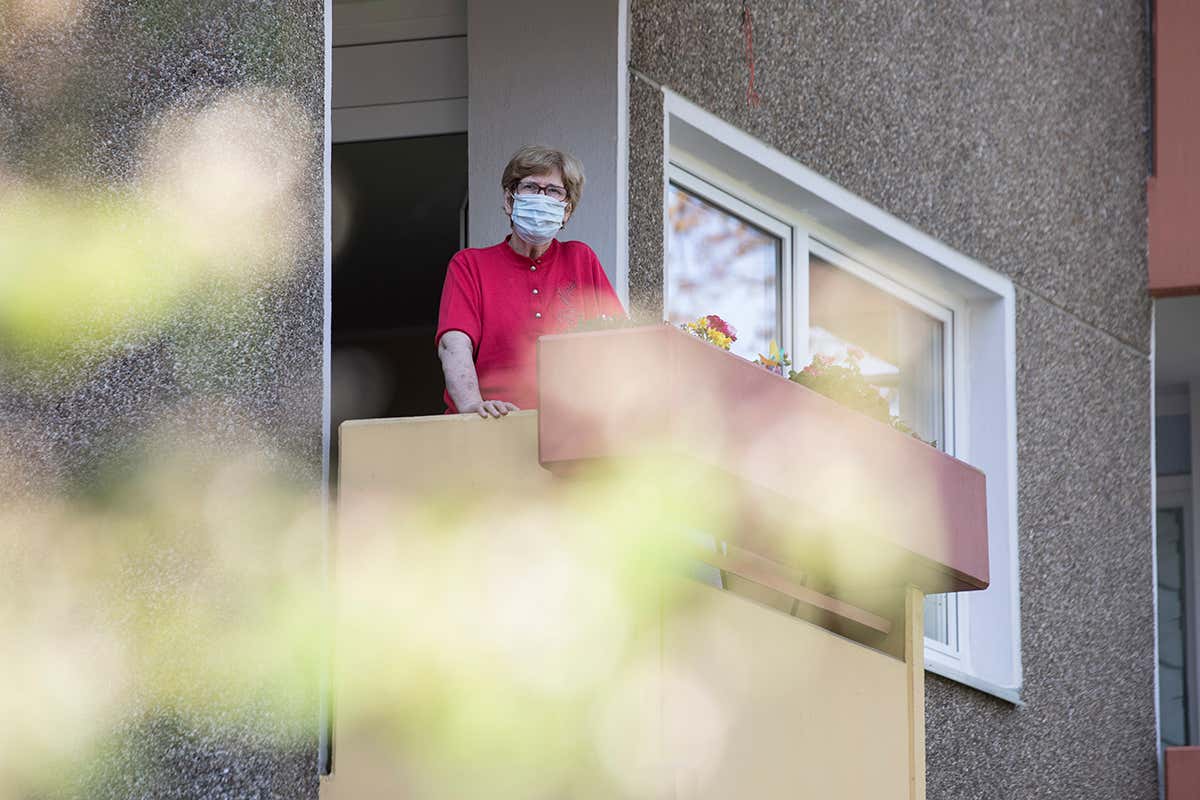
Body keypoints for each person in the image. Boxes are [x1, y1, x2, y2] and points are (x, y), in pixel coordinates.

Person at [435, 145, 625, 417]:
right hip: (492, 426)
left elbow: (619, 343)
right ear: (510, 200)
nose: (542, 197)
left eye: (553, 191)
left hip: (569, 431)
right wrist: (472, 406)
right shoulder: (470, 265)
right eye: (531, 187)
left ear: (567, 210)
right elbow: (453, 343)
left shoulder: (581, 259)